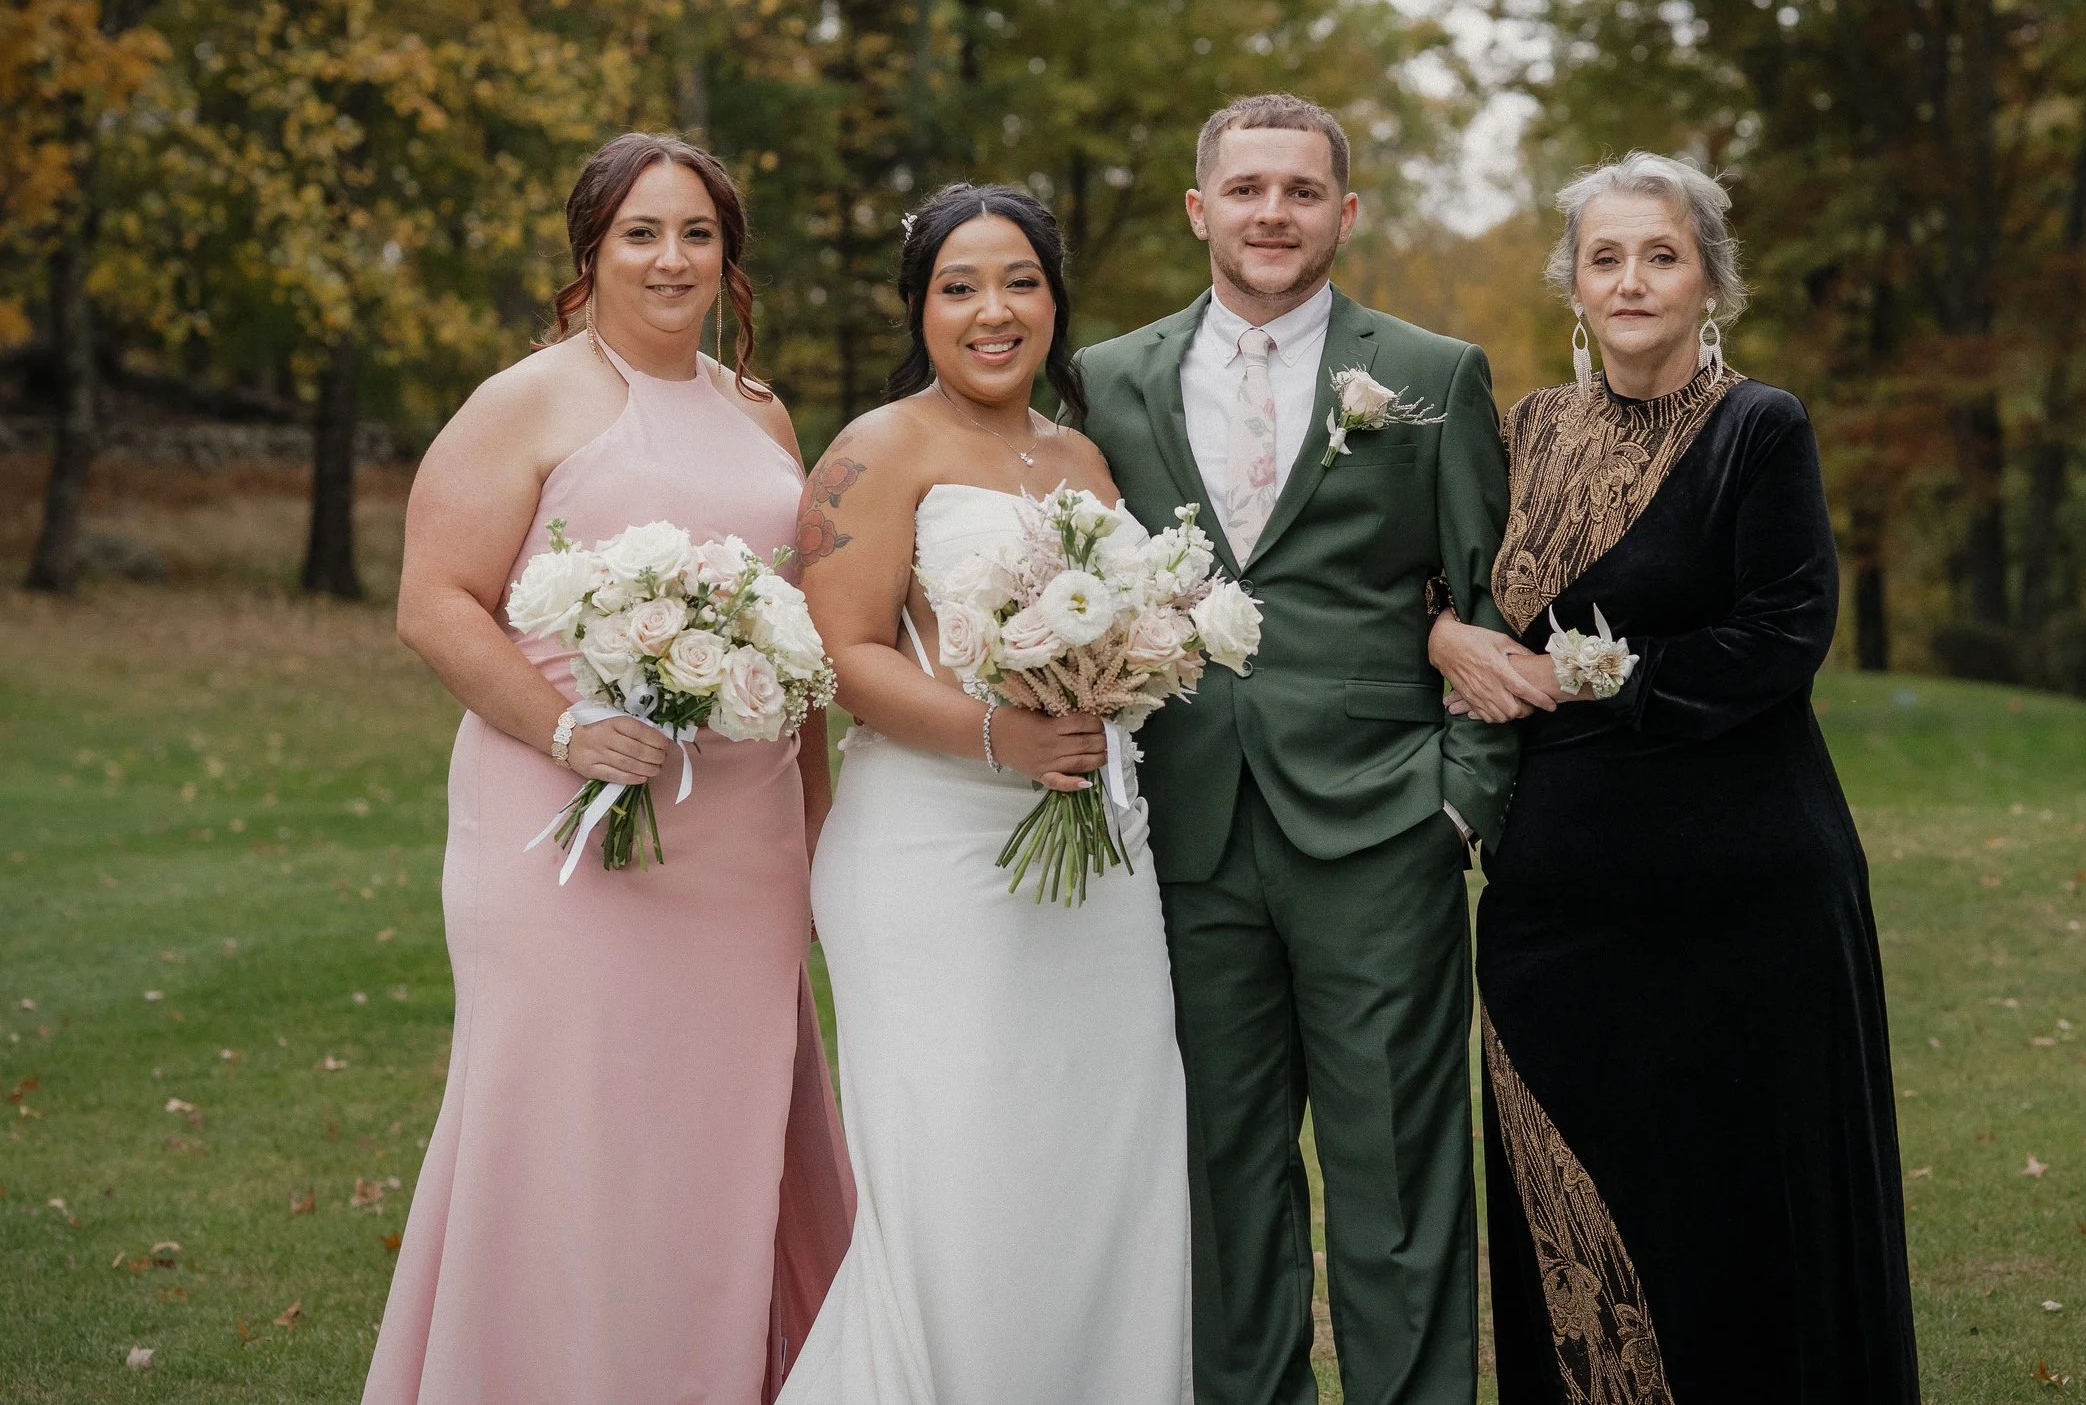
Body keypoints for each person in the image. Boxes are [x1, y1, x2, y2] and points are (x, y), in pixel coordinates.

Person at [371, 132, 854, 1404]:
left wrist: (818, 839)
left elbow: (797, 644)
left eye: (697, 233)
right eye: (641, 231)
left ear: (728, 258)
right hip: (561, 831)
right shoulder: (523, 399)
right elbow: (435, 603)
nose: (671, 256)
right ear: (590, 251)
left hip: (742, 850)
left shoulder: (762, 415)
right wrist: (565, 729)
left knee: (718, 1143)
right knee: (568, 1134)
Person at [1429, 152, 1920, 1403]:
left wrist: (1590, 678)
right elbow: (1444, 586)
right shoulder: (1526, 430)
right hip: (1556, 910)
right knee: (1575, 1211)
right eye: (1606, 257)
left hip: (1741, 899)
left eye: (1661, 254)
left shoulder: (1762, 427)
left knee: (1744, 1223)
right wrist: (1443, 635)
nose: (1632, 278)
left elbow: (1781, 634)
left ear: (1710, 282)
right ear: (1573, 288)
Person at [1077, 94, 1519, 1405]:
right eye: (1250, 188)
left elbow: (1489, 591)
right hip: (1184, 828)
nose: (1276, 212)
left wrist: (1461, 806)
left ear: (1347, 211)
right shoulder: (1109, 380)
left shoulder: (1435, 375)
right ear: (1201, 207)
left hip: (1383, 825)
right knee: (1221, 1174)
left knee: (1398, 1175)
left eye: (1303, 190)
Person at [775, 183, 1192, 1404]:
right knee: (962, 1176)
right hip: (932, 857)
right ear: (921, 307)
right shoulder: (876, 445)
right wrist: (999, 733)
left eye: (1020, 280)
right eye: (959, 286)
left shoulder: (1082, 454)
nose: (992, 310)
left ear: (1055, 300)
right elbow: (843, 657)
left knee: (1097, 1167)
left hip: (1097, 859)